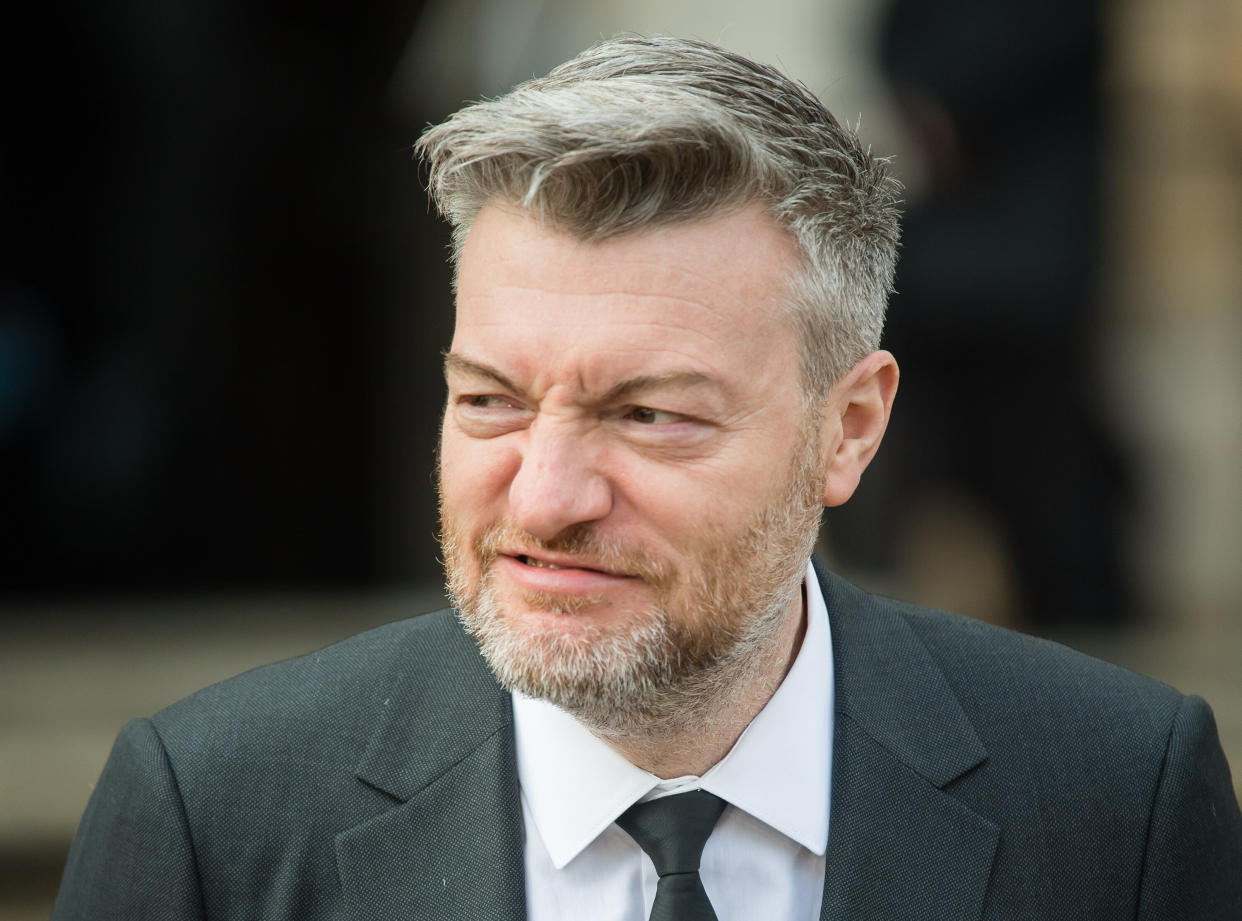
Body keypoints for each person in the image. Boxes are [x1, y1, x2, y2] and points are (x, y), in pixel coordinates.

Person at [53, 36, 1241, 921]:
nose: (543, 498)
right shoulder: (213, 815)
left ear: (852, 429)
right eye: (490, 402)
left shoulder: (1116, 802)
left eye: (650, 416)